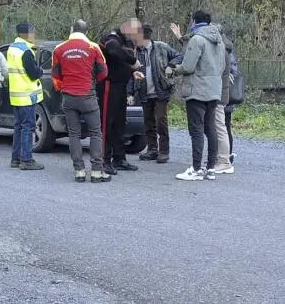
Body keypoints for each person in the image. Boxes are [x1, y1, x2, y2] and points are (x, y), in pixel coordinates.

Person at [167, 11, 226, 181]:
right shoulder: (219, 41)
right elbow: (222, 67)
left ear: (194, 22)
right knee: (210, 128)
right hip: (214, 90)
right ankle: (210, 168)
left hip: (197, 90)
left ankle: (196, 168)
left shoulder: (197, 39)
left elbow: (188, 66)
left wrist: (173, 70)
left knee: (196, 130)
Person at [51, 19, 110, 183]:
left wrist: (63, 86)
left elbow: (55, 75)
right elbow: (103, 72)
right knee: (95, 133)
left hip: (69, 97)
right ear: (86, 31)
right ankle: (97, 171)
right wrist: (92, 81)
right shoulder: (93, 47)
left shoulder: (59, 49)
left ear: (72, 30)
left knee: (74, 134)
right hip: (87, 95)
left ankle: (79, 171)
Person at [129, 24, 181, 164]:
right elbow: (131, 73)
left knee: (160, 121)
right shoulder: (135, 52)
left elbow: (178, 56)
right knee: (148, 122)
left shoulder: (161, 47)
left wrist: (171, 66)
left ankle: (164, 151)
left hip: (161, 91)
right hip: (144, 92)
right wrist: (130, 93)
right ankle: (152, 149)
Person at [96, 20, 142, 175]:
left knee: (119, 124)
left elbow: (120, 62)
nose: (136, 36)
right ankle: (104, 160)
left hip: (121, 86)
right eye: (135, 32)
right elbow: (114, 51)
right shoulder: (111, 38)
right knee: (106, 123)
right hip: (108, 85)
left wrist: (132, 71)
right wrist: (133, 61)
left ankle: (119, 158)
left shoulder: (128, 42)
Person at [7, 22, 45, 170]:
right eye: (32, 32)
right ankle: (27, 160)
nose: (33, 35)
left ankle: (15, 159)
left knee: (18, 127)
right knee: (28, 127)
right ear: (26, 34)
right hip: (26, 95)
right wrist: (40, 71)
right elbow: (33, 73)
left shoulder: (12, 48)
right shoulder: (26, 51)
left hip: (16, 95)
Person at [212, 24, 235, 174]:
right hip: (221, 93)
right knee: (219, 127)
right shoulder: (223, 48)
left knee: (221, 127)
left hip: (220, 94)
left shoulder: (223, 50)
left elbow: (231, 70)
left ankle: (224, 160)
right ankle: (220, 157)